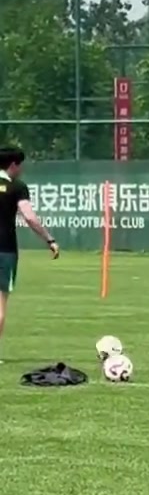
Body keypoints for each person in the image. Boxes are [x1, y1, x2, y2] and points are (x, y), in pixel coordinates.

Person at [0, 146, 59, 362]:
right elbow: (30, 217)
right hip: (4, 249)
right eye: (20, 165)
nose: (22, 170)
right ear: (13, 165)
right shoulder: (17, 187)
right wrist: (49, 239)